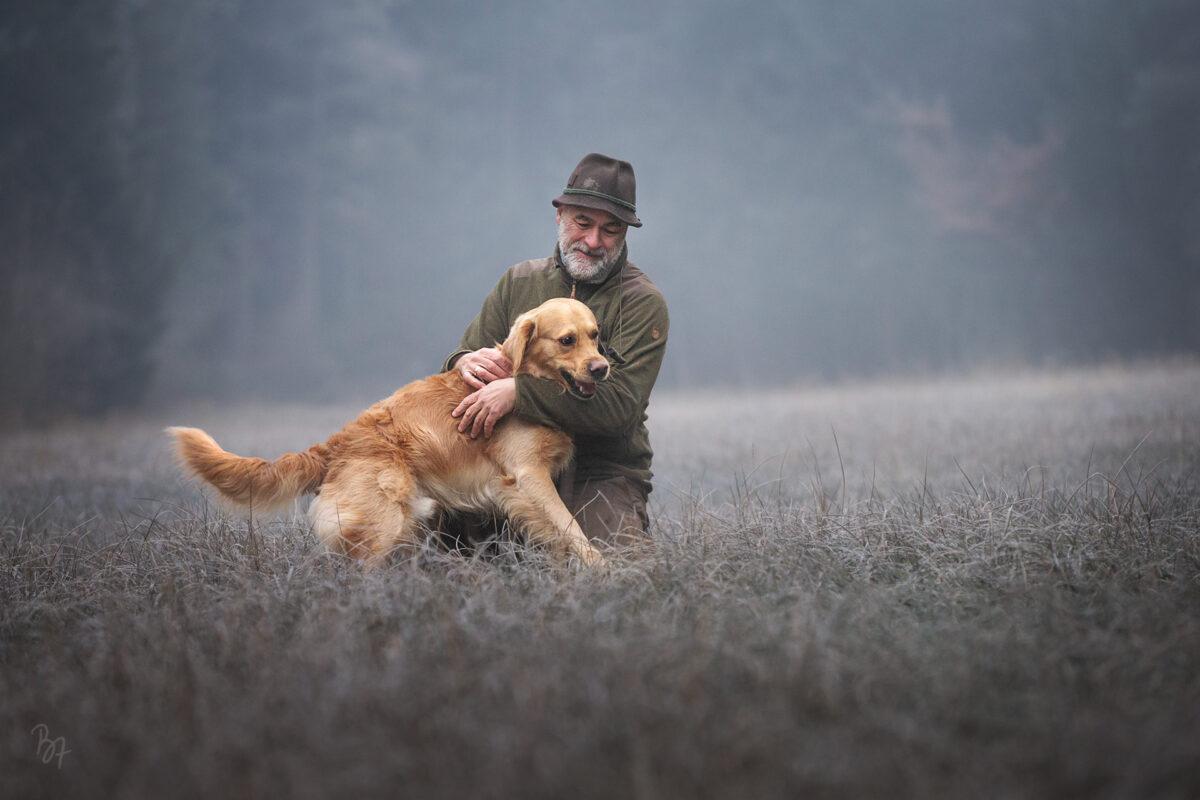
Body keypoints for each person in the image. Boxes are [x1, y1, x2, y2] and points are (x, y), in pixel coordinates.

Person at [443, 153, 669, 548]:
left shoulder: (642, 302)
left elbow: (620, 407)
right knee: (433, 557)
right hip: (500, 462)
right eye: (583, 223)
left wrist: (518, 392)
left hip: (601, 470)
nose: (594, 241)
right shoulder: (518, 281)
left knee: (615, 575)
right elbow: (464, 354)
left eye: (611, 229)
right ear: (560, 215)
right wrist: (464, 362)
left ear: (625, 234)